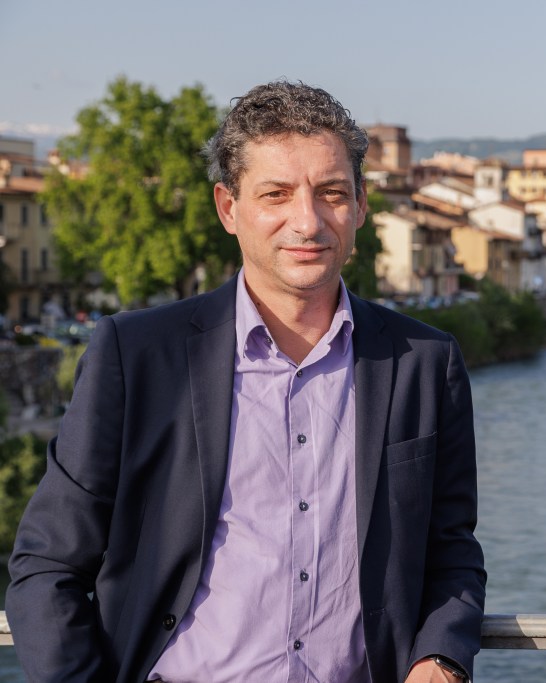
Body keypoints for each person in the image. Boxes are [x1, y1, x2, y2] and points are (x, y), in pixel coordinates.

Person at [7, 80, 486, 683]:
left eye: (332, 193)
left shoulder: (425, 361)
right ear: (228, 208)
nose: (307, 221)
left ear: (361, 206)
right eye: (275, 194)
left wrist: (441, 657)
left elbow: (452, 550)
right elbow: (47, 564)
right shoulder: (136, 355)